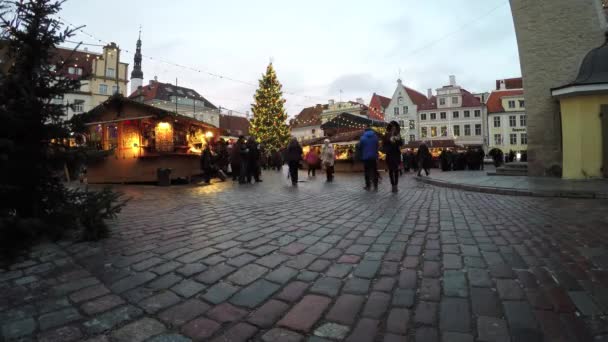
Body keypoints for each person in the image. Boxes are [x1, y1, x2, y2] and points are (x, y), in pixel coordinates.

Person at [383, 121, 403, 193]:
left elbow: (401, 143)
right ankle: (392, 185)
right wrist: (389, 141)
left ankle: (396, 185)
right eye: (392, 127)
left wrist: (398, 139)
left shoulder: (398, 135)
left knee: (396, 170)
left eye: (395, 127)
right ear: (391, 128)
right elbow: (384, 145)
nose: (394, 128)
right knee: (391, 171)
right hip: (389, 155)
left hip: (396, 154)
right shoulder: (386, 135)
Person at [359, 125, 379, 191]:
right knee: (374, 171)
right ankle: (375, 186)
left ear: (365, 131)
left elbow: (360, 147)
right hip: (374, 157)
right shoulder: (375, 137)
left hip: (366, 157)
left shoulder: (362, 138)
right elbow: (377, 146)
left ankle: (368, 186)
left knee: (367, 171)